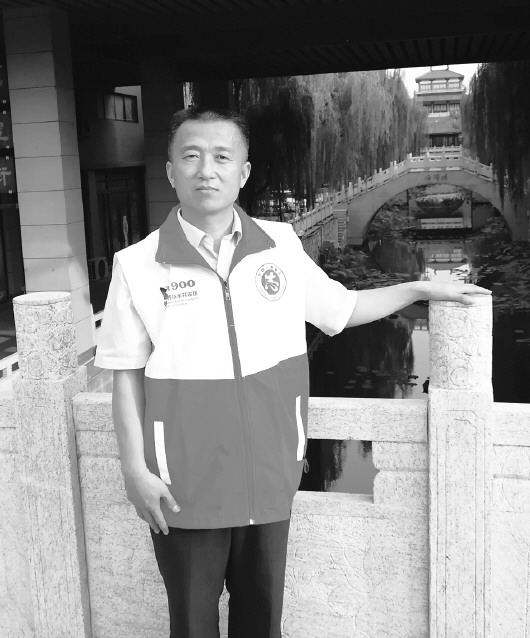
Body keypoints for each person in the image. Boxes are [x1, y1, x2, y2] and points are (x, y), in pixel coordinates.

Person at [94, 106, 491, 638]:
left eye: (221, 156)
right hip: (183, 484)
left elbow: (342, 309)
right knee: (191, 625)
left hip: (269, 473)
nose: (206, 170)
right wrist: (134, 471)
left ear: (244, 171)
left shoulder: (279, 244)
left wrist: (420, 287)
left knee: (263, 623)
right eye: (191, 156)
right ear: (170, 171)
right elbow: (125, 375)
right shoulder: (138, 265)